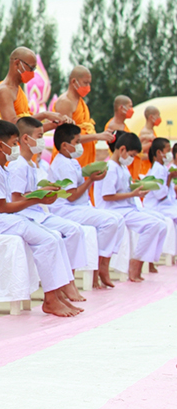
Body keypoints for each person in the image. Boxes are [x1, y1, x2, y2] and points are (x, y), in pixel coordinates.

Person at [0, 121, 80, 317]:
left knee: (54, 236)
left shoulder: (0, 168)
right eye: (13, 143)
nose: (15, 148)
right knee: (48, 240)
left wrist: (39, 194)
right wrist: (37, 198)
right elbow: (3, 207)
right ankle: (51, 299)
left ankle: (57, 294)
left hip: (5, 218)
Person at [8, 117, 89, 301]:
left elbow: (30, 193)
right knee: (61, 235)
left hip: (38, 213)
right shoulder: (17, 165)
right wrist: (41, 193)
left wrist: (47, 192)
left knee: (75, 230)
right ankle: (59, 289)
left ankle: (68, 281)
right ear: (26, 139)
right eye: (39, 136)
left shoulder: (31, 164)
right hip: (26, 215)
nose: (42, 141)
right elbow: (16, 199)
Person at [48, 123, 125, 288]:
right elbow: (71, 195)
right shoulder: (62, 163)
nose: (79, 146)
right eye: (76, 142)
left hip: (80, 207)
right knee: (110, 221)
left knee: (119, 219)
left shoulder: (71, 161)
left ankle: (104, 261)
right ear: (64, 145)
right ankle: (99, 267)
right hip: (66, 210)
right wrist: (91, 179)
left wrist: (90, 176)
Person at [96, 131, 168, 282]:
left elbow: (126, 189)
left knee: (162, 224)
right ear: (122, 149)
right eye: (132, 155)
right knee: (153, 224)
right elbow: (107, 196)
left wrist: (138, 189)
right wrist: (133, 195)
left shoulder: (121, 167)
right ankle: (135, 263)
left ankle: (144, 261)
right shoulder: (111, 167)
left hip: (127, 208)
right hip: (114, 210)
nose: (132, 159)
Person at [0, 47, 70, 131]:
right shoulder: (4, 91)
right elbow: (12, 125)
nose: (33, 73)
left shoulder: (18, 90)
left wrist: (56, 124)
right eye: (31, 68)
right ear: (17, 63)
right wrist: (44, 115)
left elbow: (27, 129)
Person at [53, 66, 113, 166]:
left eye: (89, 83)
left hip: (83, 159)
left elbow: (84, 130)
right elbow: (66, 138)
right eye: (85, 83)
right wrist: (97, 136)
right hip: (68, 161)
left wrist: (101, 134)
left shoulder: (81, 102)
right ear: (73, 81)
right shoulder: (65, 102)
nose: (88, 87)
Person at [104, 95, 143, 180]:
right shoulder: (113, 126)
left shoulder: (123, 125)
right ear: (121, 108)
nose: (132, 110)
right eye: (130, 106)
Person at [135, 106, 161, 178]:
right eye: (158, 115)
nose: (159, 118)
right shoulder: (145, 132)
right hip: (144, 168)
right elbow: (140, 154)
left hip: (150, 166)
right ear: (151, 117)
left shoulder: (151, 131)